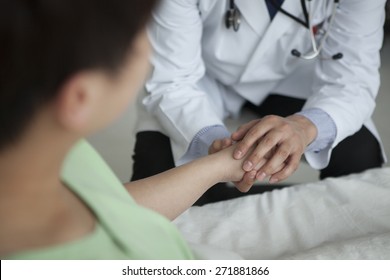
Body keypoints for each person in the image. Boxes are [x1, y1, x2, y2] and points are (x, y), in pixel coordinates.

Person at [0, 0, 252, 260]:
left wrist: (221, 165)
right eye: (140, 37)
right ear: (80, 98)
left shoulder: (51, 149)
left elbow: (114, 204)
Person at [131, 0, 387, 203]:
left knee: (360, 163)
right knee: (158, 173)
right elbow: (173, 79)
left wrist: (303, 127)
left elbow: (352, 81)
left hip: (297, 76)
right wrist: (218, 145)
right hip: (203, 78)